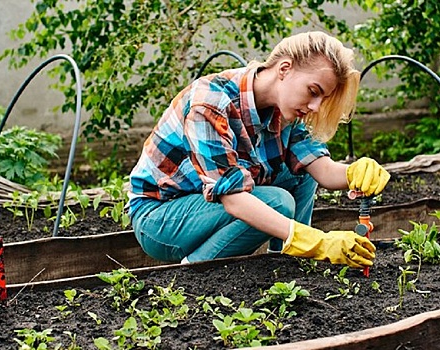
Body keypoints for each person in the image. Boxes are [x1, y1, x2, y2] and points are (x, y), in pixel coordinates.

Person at [127, 31, 390, 268]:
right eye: (313, 92)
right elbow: (233, 199)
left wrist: (355, 172)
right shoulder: (210, 103)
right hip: (160, 217)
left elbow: (321, 169)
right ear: (285, 68)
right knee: (278, 202)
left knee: (301, 173)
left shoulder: (286, 110)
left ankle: (287, 265)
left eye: (322, 99)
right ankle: (194, 268)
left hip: (203, 203)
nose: (315, 107)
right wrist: (318, 242)